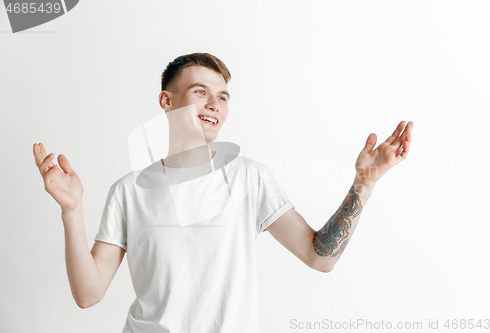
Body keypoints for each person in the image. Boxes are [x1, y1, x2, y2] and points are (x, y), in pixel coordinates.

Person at [33, 52, 414, 332]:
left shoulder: (250, 179)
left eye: (223, 96)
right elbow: (88, 294)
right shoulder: (129, 192)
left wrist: (363, 184)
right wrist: (72, 211)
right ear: (167, 101)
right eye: (201, 92)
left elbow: (320, 258)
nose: (215, 104)